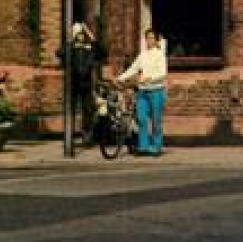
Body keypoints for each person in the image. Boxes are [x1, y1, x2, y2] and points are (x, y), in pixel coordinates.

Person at [116, 29, 168, 157]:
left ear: (156, 40)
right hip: (143, 92)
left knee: (155, 120)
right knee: (141, 118)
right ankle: (143, 146)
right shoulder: (142, 55)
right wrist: (120, 78)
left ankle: (156, 147)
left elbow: (162, 73)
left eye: (151, 38)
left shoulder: (160, 55)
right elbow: (133, 69)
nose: (149, 40)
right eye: (147, 38)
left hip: (156, 90)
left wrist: (149, 77)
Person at [65, 20, 104, 143]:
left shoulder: (89, 49)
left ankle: (86, 136)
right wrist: (70, 40)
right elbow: (59, 52)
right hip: (73, 83)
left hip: (86, 83)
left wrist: (90, 35)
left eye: (83, 34)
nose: (81, 36)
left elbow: (102, 51)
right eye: (79, 34)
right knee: (70, 109)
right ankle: (69, 135)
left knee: (87, 110)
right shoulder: (71, 49)